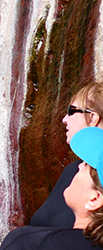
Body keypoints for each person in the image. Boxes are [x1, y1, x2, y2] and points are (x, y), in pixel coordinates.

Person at [30, 82, 103, 227]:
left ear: (92, 118)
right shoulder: (72, 170)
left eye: (71, 111)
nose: (64, 119)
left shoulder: (88, 177)